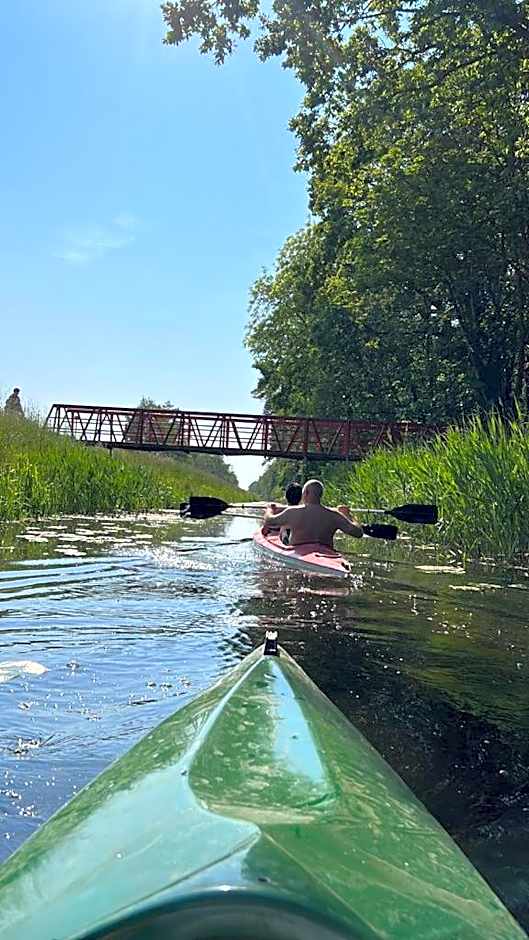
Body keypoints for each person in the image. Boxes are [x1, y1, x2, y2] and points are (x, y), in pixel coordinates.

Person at [263, 479, 363, 548]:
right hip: (325, 554)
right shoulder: (335, 515)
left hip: (298, 552)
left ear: (305, 493)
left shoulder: (293, 512)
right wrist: (347, 515)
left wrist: (269, 509)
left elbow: (269, 521)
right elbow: (358, 533)